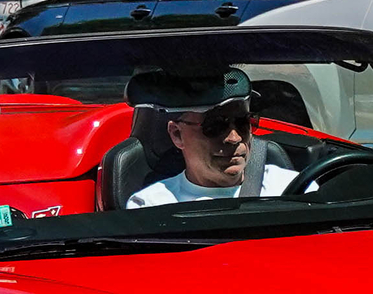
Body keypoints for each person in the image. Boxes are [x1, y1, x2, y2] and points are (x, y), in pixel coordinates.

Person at [122, 67, 299, 208]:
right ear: (177, 134)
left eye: (243, 123)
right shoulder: (151, 207)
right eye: (215, 126)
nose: (234, 138)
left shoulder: (291, 188)